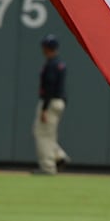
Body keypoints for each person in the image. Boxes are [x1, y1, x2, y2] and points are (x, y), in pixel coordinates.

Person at [33, 34, 70, 176]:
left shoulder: (51, 65)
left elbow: (49, 87)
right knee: (49, 134)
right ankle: (59, 156)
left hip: (51, 102)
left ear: (47, 48)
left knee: (42, 134)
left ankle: (48, 167)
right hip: (59, 101)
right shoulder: (59, 63)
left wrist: (44, 108)